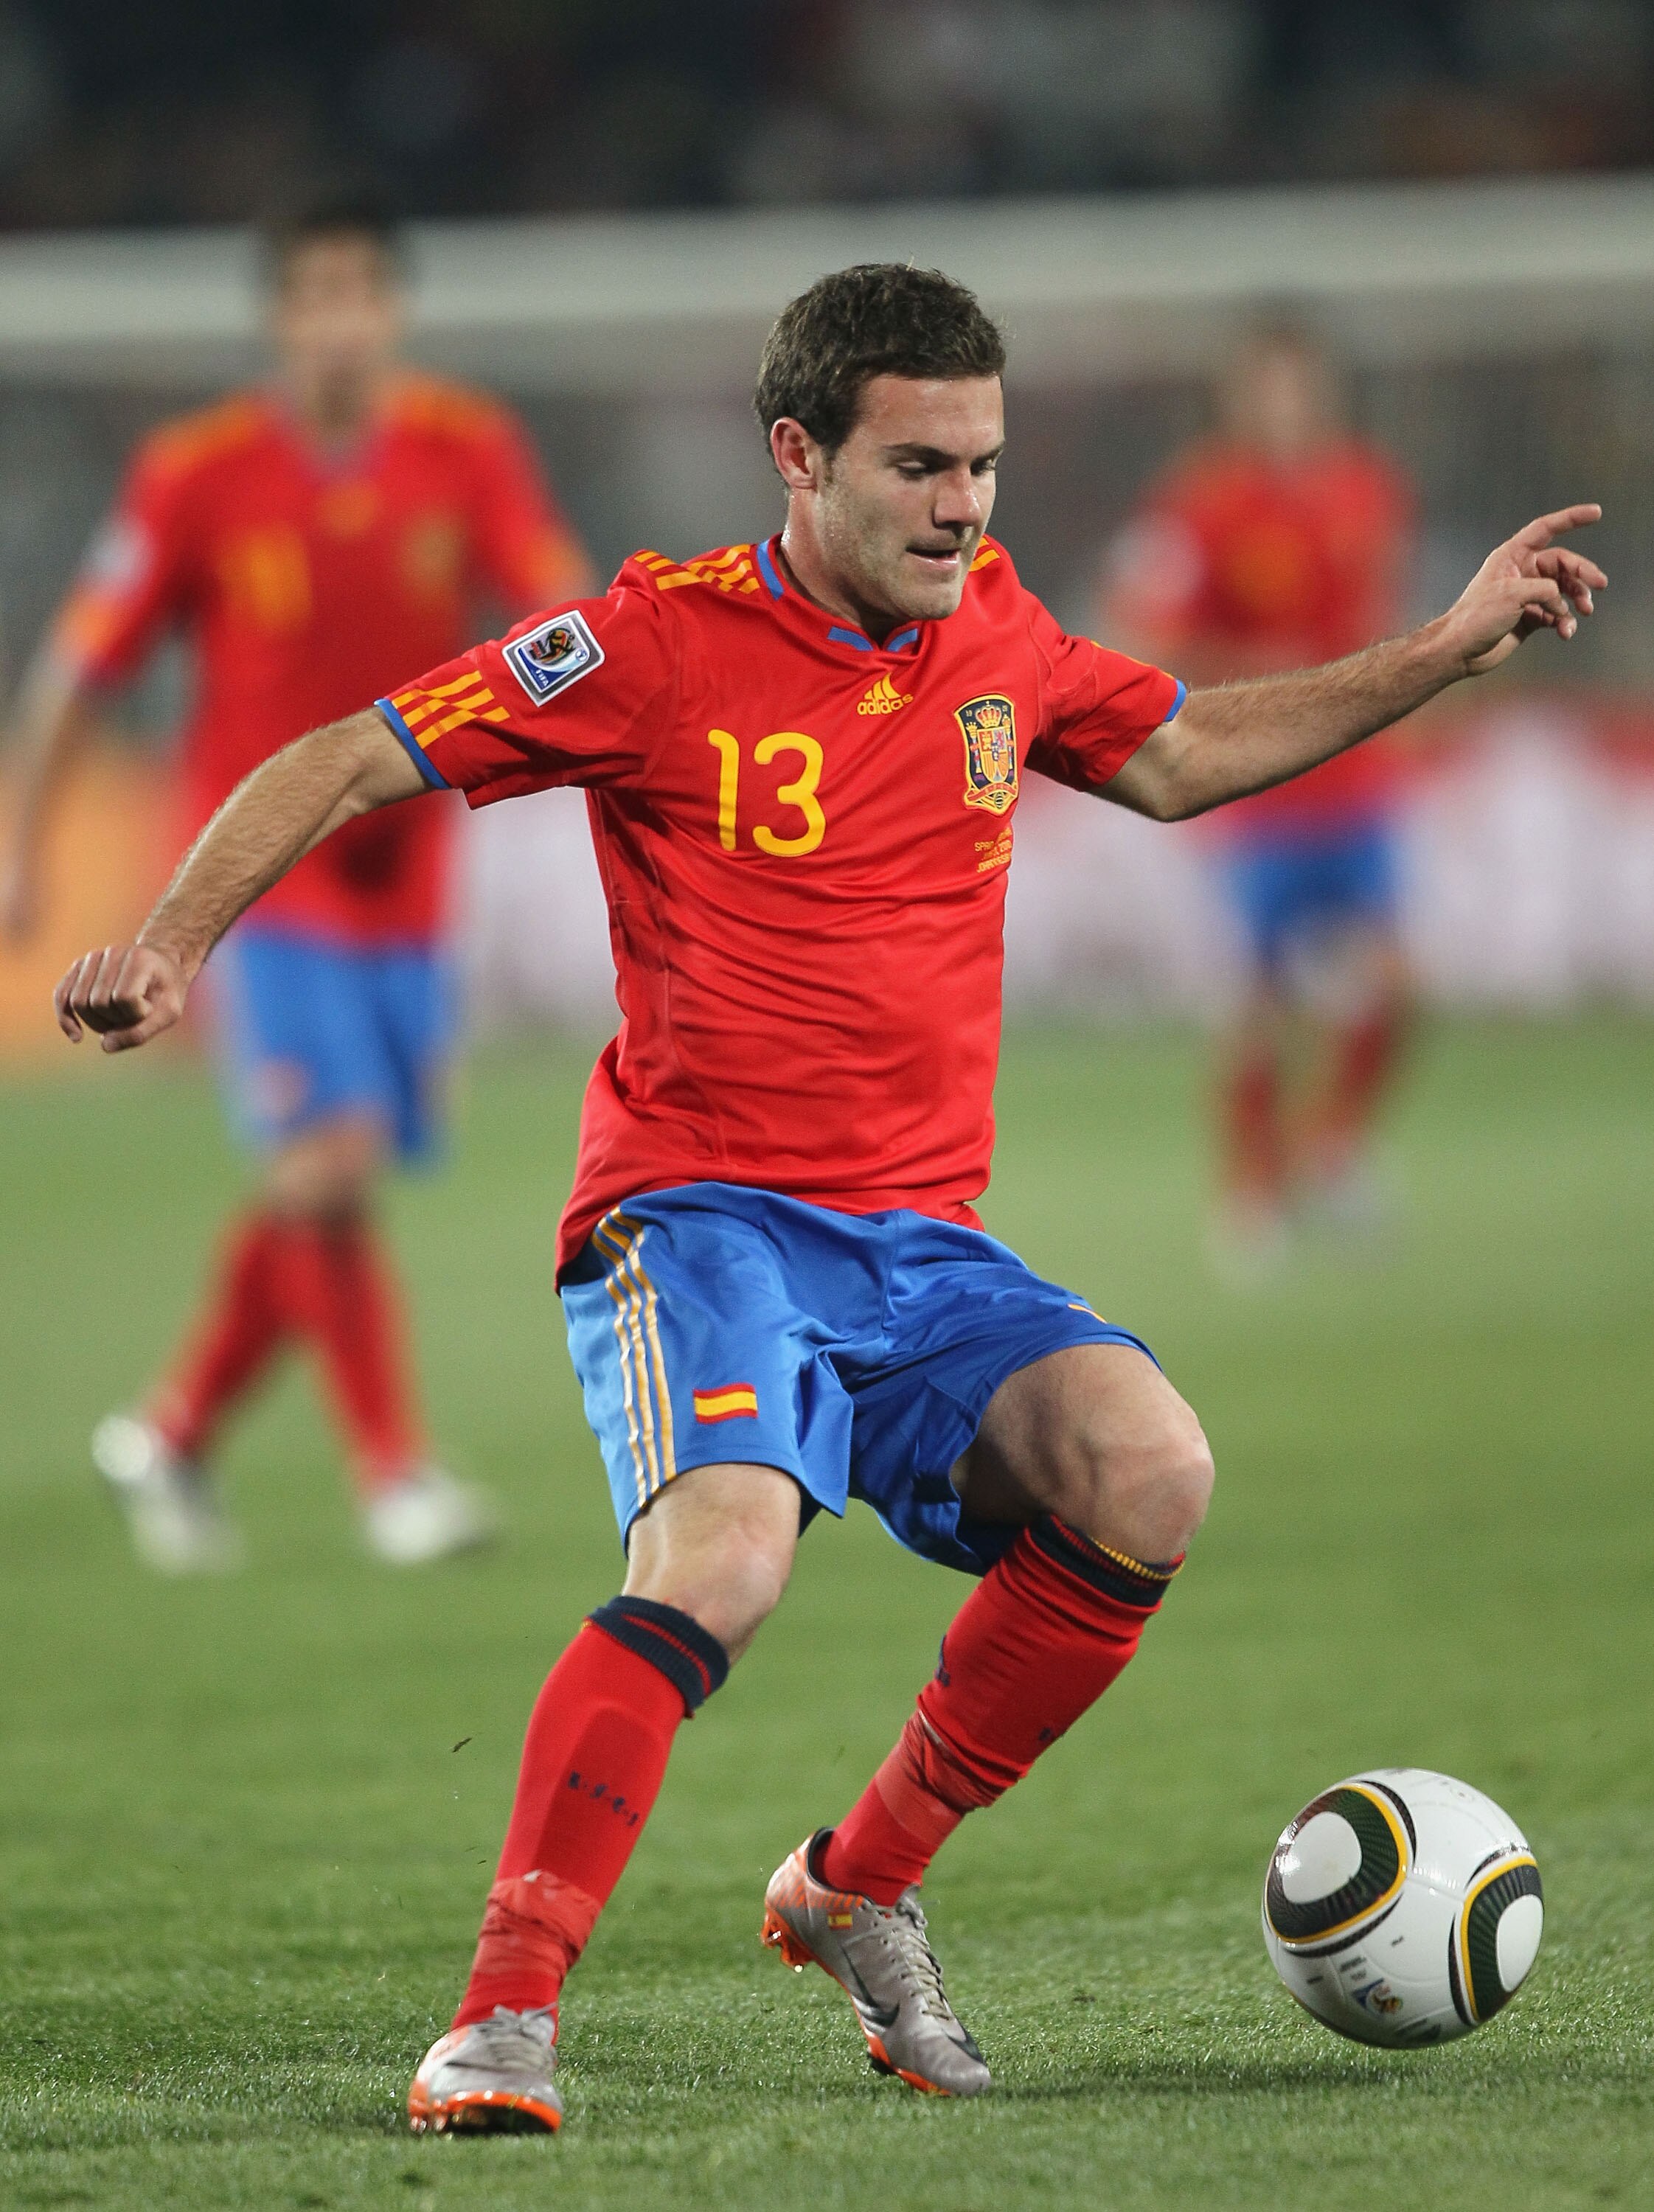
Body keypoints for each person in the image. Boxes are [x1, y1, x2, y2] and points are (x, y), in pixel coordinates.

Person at [52, 265, 1600, 2129]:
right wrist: (166, 945)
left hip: (922, 1250)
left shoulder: (1001, 633)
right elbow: (336, 755)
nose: (966, 505)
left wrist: (1440, 646)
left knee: (1150, 1468)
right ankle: (502, 2013)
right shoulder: (644, 643)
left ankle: (858, 1877)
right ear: (798, 456)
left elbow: (1183, 755)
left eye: (986, 463)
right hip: (695, 1219)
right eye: (921, 465)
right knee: (723, 1560)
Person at [5, 190, 592, 1570]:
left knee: (324, 1176)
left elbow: (560, 609)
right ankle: (394, 1475)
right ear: (279, 318)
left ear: (391, 310)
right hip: (258, 878)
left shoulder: (467, 449)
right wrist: (24, 851)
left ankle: (168, 1434)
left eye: (360, 294)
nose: (338, 322)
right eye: (312, 296)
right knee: (325, 1161)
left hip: (407, 869)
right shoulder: (195, 471)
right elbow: (81, 667)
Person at [1101, 324, 1415, 1265]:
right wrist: (1268, 671)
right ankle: (1250, 1194)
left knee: (1398, 987)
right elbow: (1149, 635)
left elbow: (1379, 621)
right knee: (1253, 1005)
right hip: (1251, 792)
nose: (1284, 405)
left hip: (1355, 783)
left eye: (1298, 387)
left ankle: (1330, 1146)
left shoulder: (1366, 487)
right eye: (1266, 388)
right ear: (1238, 397)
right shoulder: (1200, 505)